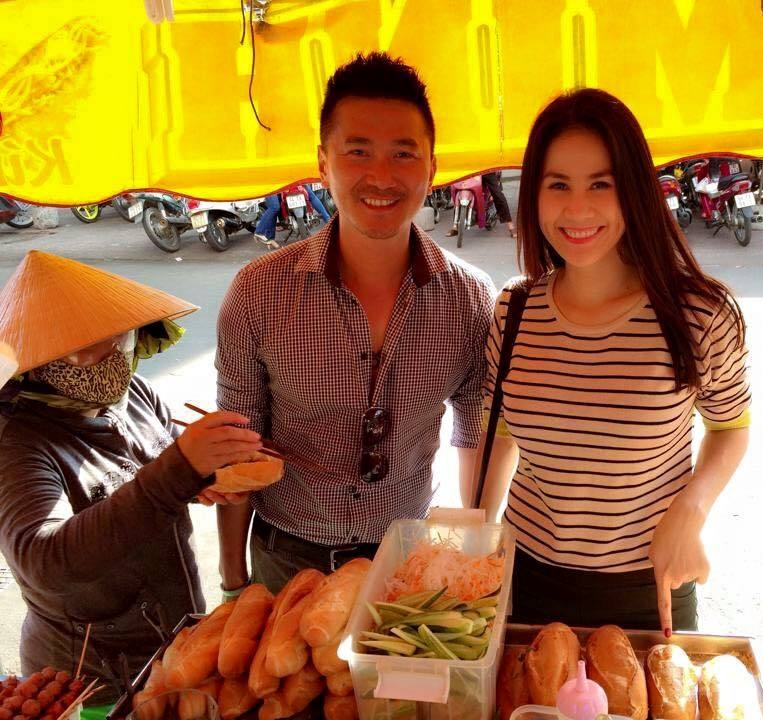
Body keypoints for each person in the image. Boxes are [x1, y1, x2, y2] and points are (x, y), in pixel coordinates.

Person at [216, 52, 496, 594]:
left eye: (403, 154)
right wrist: (233, 584)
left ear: (431, 168)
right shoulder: (258, 292)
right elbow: (238, 447)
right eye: (358, 151)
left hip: (406, 561)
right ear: (324, 163)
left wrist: (473, 556)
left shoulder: (470, 298)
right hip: (287, 558)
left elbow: (475, 432)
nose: (381, 177)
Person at [477, 88, 750, 635]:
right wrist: (477, 540)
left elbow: (730, 428)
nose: (577, 209)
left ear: (635, 191)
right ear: (533, 195)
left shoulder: (700, 313)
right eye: (558, 185)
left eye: (601, 184)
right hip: (523, 577)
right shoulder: (514, 308)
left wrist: (692, 511)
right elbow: (500, 431)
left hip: (646, 585)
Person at [0, 251, 262, 701]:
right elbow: (45, 561)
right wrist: (179, 470)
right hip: (92, 677)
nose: (109, 353)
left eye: (117, 337)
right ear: (38, 362)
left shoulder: (133, 393)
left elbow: (160, 472)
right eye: (83, 348)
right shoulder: (18, 443)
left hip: (173, 640)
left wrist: (208, 477)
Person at [254, 185, 332, 248]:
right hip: (271, 181)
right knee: (275, 206)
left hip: (286, 179)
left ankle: (270, 237)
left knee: (309, 194)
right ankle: (261, 232)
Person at [446, 171, 516, 238]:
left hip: (485, 169)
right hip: (468, 169)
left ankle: (510, 225)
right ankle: (455, 226)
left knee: (498, 195)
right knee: (456, 188)